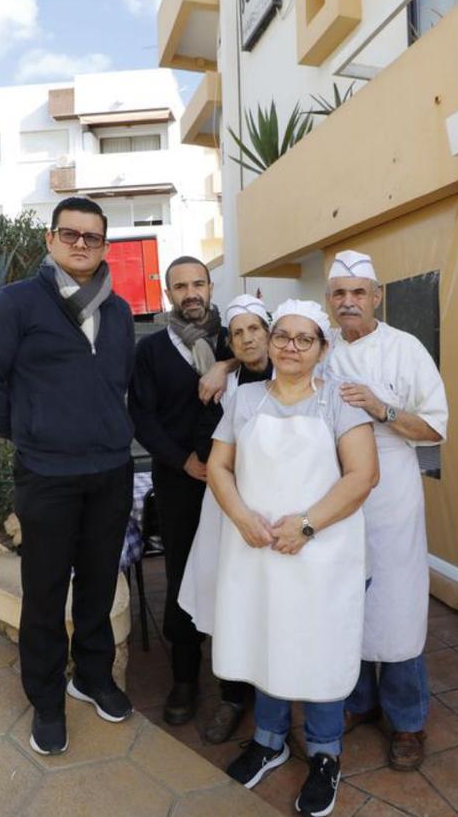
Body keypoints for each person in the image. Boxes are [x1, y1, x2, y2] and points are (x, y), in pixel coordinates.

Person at [0, 196, 135, 757]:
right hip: (47, 474)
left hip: (110, 471)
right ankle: (46, 697)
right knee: (44, 592)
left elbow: (116, 385)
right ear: (50, 239)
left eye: (92, 237)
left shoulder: (118, 312)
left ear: (105, 246)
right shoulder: (15, 304)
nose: (81, 244)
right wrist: (32, 434)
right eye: (71, 234)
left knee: (97, 581)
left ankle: (92, 676)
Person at [209, 299, 379, 817]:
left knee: (319, 647)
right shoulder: (244, 400)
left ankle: (326, 755)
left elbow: (363, 476)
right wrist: (240, 517)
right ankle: (269, 740)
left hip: (321, 552)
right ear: (269, 338)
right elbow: (219, 467)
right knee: (264, 637)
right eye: (282, 335)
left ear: (322, 348)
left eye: (305, 338)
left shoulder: (340, 402)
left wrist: (306, 526)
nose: (290, 346)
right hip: (257, 548)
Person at [325, 249, 449, 772]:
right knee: (345, 600)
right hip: (334, 491)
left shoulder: (406, 348)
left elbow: (436, 427)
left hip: (393, 494)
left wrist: (381, 408)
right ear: (328, 302)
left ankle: (407, 720)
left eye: (358, 293)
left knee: (396, 609)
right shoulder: (319, 345)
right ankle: (358, 703)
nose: (349, 302)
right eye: (339, 294)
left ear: (378, 297)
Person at [128, 256, 234, 726]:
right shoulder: (150, 351)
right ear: (168, 293)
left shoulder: (236, 336)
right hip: (182, 481)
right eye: (180, 286)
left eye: (198, 284)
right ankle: (185, 678)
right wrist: (183, 460)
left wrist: (226, 362)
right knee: (183, 575)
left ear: (211, 287)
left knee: (237, 574)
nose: (191, 293)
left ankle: (236, 684)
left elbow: (267, 365)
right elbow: (142, 418)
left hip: (239, 482)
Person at [178, 293, 274, 743]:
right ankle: (233, 696)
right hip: (229, 510)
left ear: (271, 332)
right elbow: (205, 446)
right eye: (238, 333)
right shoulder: (222, 390)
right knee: (230, 601)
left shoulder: (300, 374)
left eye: (255, 328)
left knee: (276, 603)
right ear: (230, 343)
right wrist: (224, 369)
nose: (248, 338)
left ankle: (277, 693)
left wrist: (225, 363)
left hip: (282, 515)